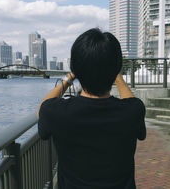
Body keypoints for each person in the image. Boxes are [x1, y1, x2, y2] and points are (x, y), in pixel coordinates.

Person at [37, 28, 146, 189]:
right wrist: (115, 72)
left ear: (76, 67)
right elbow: (130, 100)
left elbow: (42, 108)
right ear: (116, 67)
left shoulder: (57, 112)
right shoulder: (132, 111)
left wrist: (71, 76)